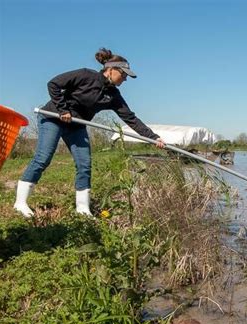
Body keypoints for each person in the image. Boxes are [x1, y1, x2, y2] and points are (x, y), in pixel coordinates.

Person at [14, 48, 165, 217]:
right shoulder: (86, 75)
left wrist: (153, 137)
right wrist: (63, 110)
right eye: (123, 75)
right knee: (43, 158)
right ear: (111, 70)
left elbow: (131, 118)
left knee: (84, 165)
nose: (125, 79)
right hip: (52, 117)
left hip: (76, 126)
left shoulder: (113, 95)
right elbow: (53, 84)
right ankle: (20, 203)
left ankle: (83, 209)